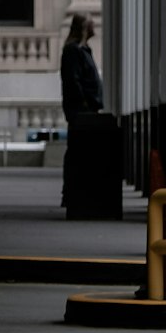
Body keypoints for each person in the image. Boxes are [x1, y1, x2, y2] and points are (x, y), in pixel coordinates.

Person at [59, 13, 103, 207]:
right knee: (77, 152)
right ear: (84, 28)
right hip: (81, 111)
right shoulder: (73, 51)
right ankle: (72, 193)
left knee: (82, 152)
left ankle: (80, 191)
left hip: (88, 109)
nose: (95, 27)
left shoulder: (83, 50)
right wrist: (84, 104)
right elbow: (73, 81)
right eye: (92, 24)